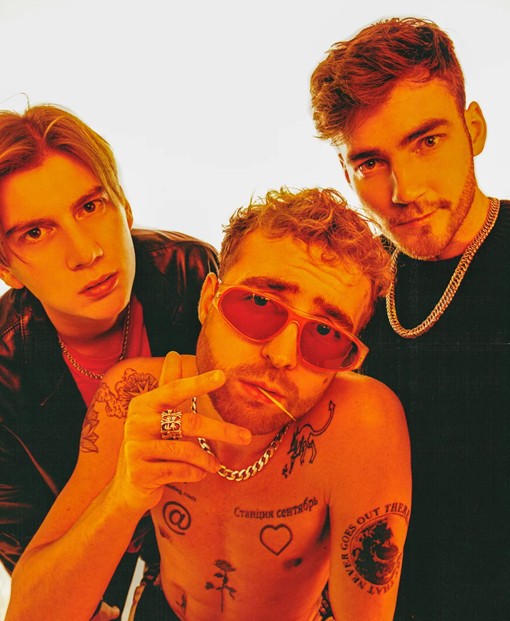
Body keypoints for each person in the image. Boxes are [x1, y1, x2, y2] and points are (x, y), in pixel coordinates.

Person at [6, 187, 411, 621]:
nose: (281, 355)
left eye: (326, 334)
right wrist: (123, 497)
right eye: (259, 303)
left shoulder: (360, 424)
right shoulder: (137, 394)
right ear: (208, 299)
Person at [310, 17, 510, 621]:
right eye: (371, 163)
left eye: (427, 141)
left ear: (473, 130)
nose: (405, 190)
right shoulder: (350, 290)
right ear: (345, 174)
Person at [0, 104, 218, 618]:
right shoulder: (5, 376)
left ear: (125, 205)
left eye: (90, 206)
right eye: (36, 232)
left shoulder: (191, 273)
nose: (85, 253)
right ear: (6, 268)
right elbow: (40, 579)